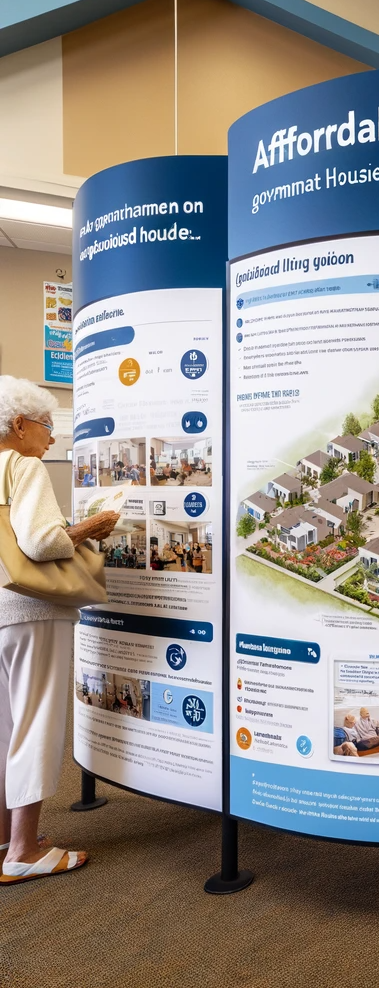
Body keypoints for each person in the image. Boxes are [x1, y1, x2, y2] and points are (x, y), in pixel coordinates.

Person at [0, 376, 119, 884]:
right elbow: (44, 542)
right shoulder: (23, 465)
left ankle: (7, 837)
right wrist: (90, 528)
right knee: (38, 723)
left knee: (6, 728)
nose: (52, 439)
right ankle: (24, 851)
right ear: (19, 425)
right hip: (30, 610)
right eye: (48, 427)